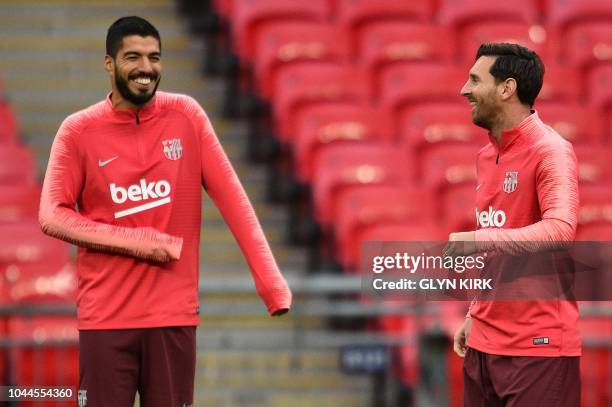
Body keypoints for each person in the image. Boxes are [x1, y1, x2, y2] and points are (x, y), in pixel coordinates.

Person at [39, 16, 292, 407]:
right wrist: (141, 241)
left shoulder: (187, 117)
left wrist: (272, 285)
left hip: (172, 318)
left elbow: (235, 201)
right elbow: (52, 214)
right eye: (133, 57)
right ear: (109, 63)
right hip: (105, 320)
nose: (146, 68)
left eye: (154, 57)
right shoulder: (77, 131)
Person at [445, 43, 580, 406]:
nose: (464, 89)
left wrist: (481, 239)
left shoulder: (550, 150)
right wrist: (476, 311)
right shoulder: (486, 156)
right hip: (484, 345)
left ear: (507, 88)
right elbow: (500, 237)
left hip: (538, 347)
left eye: (475, 79)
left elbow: (561, 229)